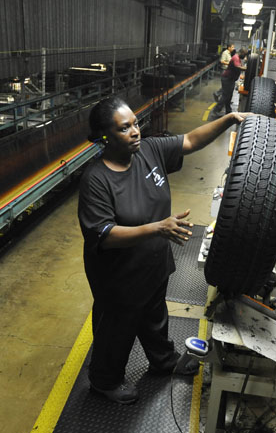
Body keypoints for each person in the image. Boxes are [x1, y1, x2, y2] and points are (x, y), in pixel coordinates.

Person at [78, 97, 252, 404]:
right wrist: (158, 228)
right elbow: (103, 235)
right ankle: (104, 381)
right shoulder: (97, 180)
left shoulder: (149, 151)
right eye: (124, 128)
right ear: (104, 137)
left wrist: (228, 120)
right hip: (118, 277)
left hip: (153, 264)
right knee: (117, 330)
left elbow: (189, 140)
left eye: (135, 123)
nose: (135, 132)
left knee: (155, 317)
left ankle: (163, 360)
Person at [216, 48, 247, 116]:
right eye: (244, 55)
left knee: (229, 95)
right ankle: (217, 110)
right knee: (225, 95)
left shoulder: (238, 58)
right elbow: (237, 66)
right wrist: (247, 68)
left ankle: (228, 110)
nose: (244, 56)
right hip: (227, 79)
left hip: (231, 79)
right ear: (241, 53)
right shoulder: (236, 57)